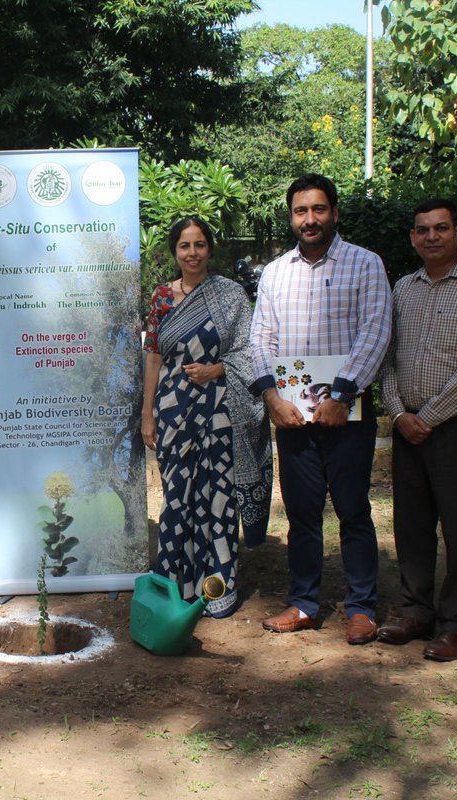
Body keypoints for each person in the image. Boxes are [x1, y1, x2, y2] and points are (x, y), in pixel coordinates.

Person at [249, 173, 392, 644]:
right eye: (300, 211)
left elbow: (375, 331)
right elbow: (259, 340)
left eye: (318, 209)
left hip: (346, 415)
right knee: (302, 514)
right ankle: (305, 602)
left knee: (353, 511)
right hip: (292, 417)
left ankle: (362, 607)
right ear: (291, 216)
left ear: (334, 212)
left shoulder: (365, 264)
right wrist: (271, 398)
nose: (309, 219)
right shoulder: (274, 272)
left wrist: (344, 395)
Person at [377, 199, 457, 661]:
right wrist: (397, 411)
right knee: (412, 526)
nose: (432, 237)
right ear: (413, 237)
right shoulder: (401, 290)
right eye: (423, 230)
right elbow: (385, 356)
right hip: (406, 425)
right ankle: (416, 611)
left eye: (441, 228)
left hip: (454, 429)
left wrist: (426, 417)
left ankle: (456, 622)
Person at [140, 217, 272, 617]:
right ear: (174, 251)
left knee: (217, 493)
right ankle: (174, 585)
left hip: (218, 408)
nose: (192, 253)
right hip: (173, 409)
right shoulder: (161, 298)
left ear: (209, 249)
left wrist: (217, 370)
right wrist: (147, 413)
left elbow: (248, 351)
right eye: (184, 246)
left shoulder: (230, 295)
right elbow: (153, 356)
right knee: (177, 496)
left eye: (199, 245)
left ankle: (217, 587)